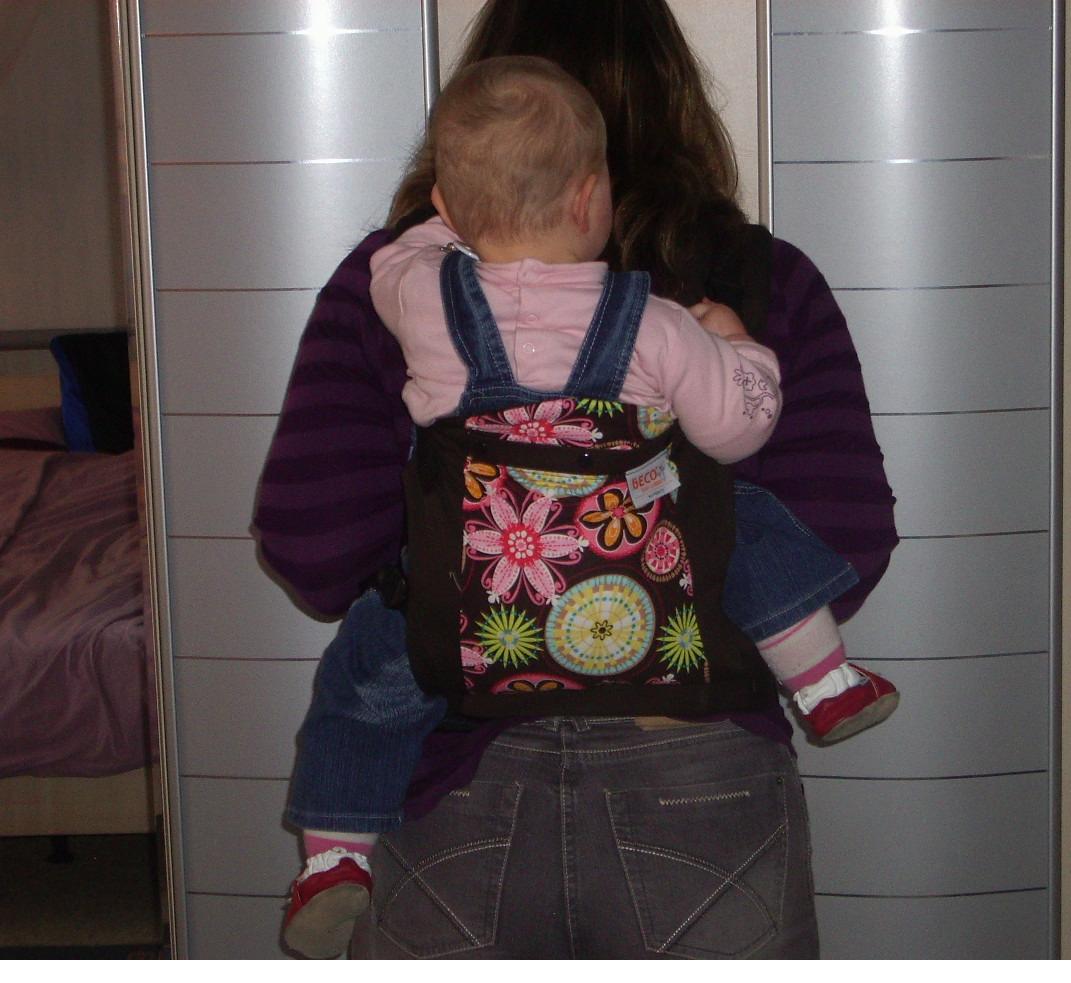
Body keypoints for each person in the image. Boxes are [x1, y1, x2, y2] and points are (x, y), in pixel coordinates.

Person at [253, 0, 899, 959]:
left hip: (453, 778)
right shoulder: (760, 278)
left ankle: (331, 850)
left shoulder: (396, 286)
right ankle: (827, 684)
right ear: (675, 100)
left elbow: (313, 549)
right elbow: (845, 541)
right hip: (701, 771)